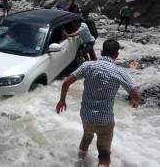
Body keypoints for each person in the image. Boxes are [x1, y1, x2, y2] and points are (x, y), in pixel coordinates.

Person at [56, 39, 140, 167]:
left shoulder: (88, 65)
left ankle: (80, 162)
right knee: (104, 154)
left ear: (101, 52)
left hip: (86, 116)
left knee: (86, 137)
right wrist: (134, 101)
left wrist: (62, 101)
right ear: (117, 55)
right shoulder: (119, 72)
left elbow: (66, 82)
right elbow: (135, 93)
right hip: (104, 120)